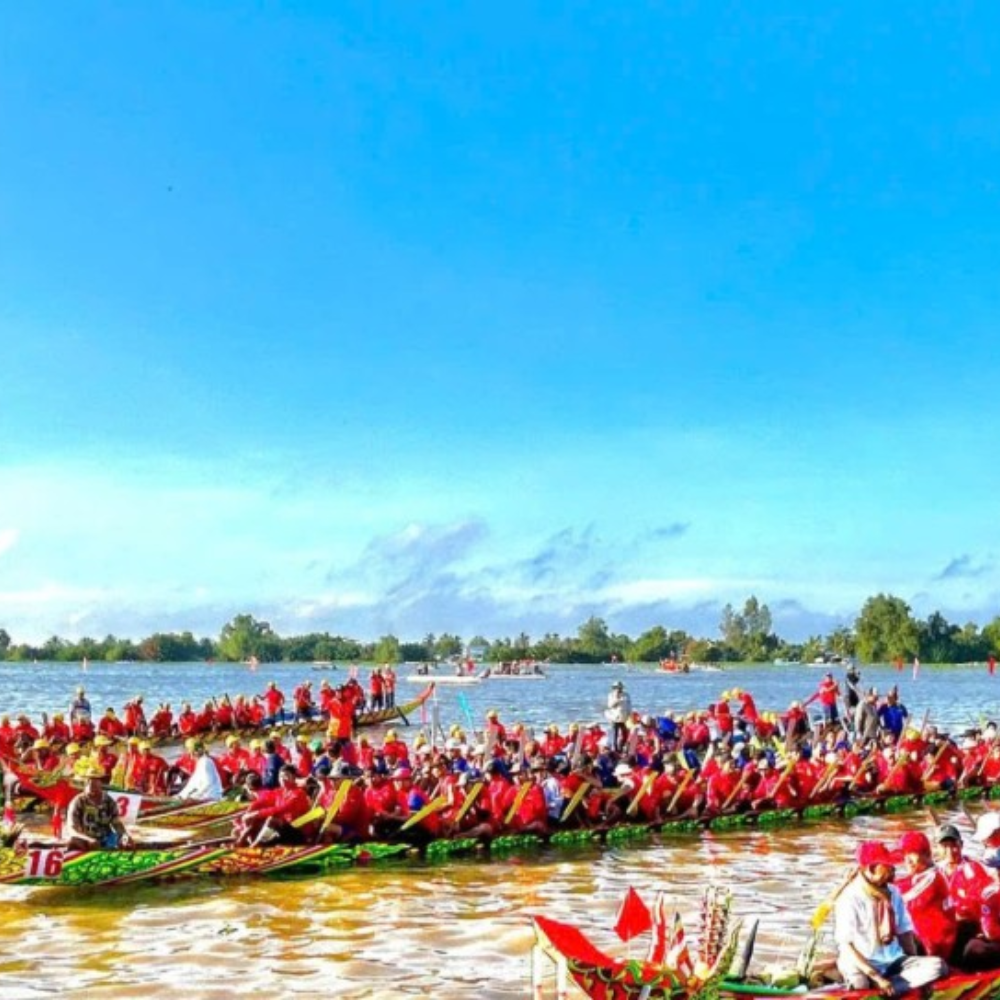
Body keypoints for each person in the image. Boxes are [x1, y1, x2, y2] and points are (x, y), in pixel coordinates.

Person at [834, 840, 948, 995]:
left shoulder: (893, 892)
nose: (894, 871)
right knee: (860, 985)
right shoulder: (850, 898)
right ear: (872, 868)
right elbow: (846, 946)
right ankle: (881, 987)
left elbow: (905, 933)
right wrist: (875, 976)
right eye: (888, 867)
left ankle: (890, 989)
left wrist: (920, 973)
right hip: (862, 963)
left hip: (892, 961)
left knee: (938, 966)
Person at [65, 761, 134, 850]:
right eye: (88, 780)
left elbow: (117, 824)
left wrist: (125, 836)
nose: (90, 783)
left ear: (101, 783)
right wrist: (88, 839)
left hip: (106, 839)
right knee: (73, 841)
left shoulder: (109, 801)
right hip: (85, 840)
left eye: (95, 780)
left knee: (126, 842)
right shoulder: (78, 801)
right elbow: (72, 829)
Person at [605, 681, 632, 754]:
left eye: (619, 688)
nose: (618, 689)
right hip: (615, 718)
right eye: (616, 688)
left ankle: (621, 747)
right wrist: (617, 699)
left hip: (624, 718)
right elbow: (610, 706)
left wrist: (630, 714)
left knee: (625, 734)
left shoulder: (626, 695)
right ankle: (615, 750)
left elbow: (629, 705)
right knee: (615, 735)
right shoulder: (611, 695)